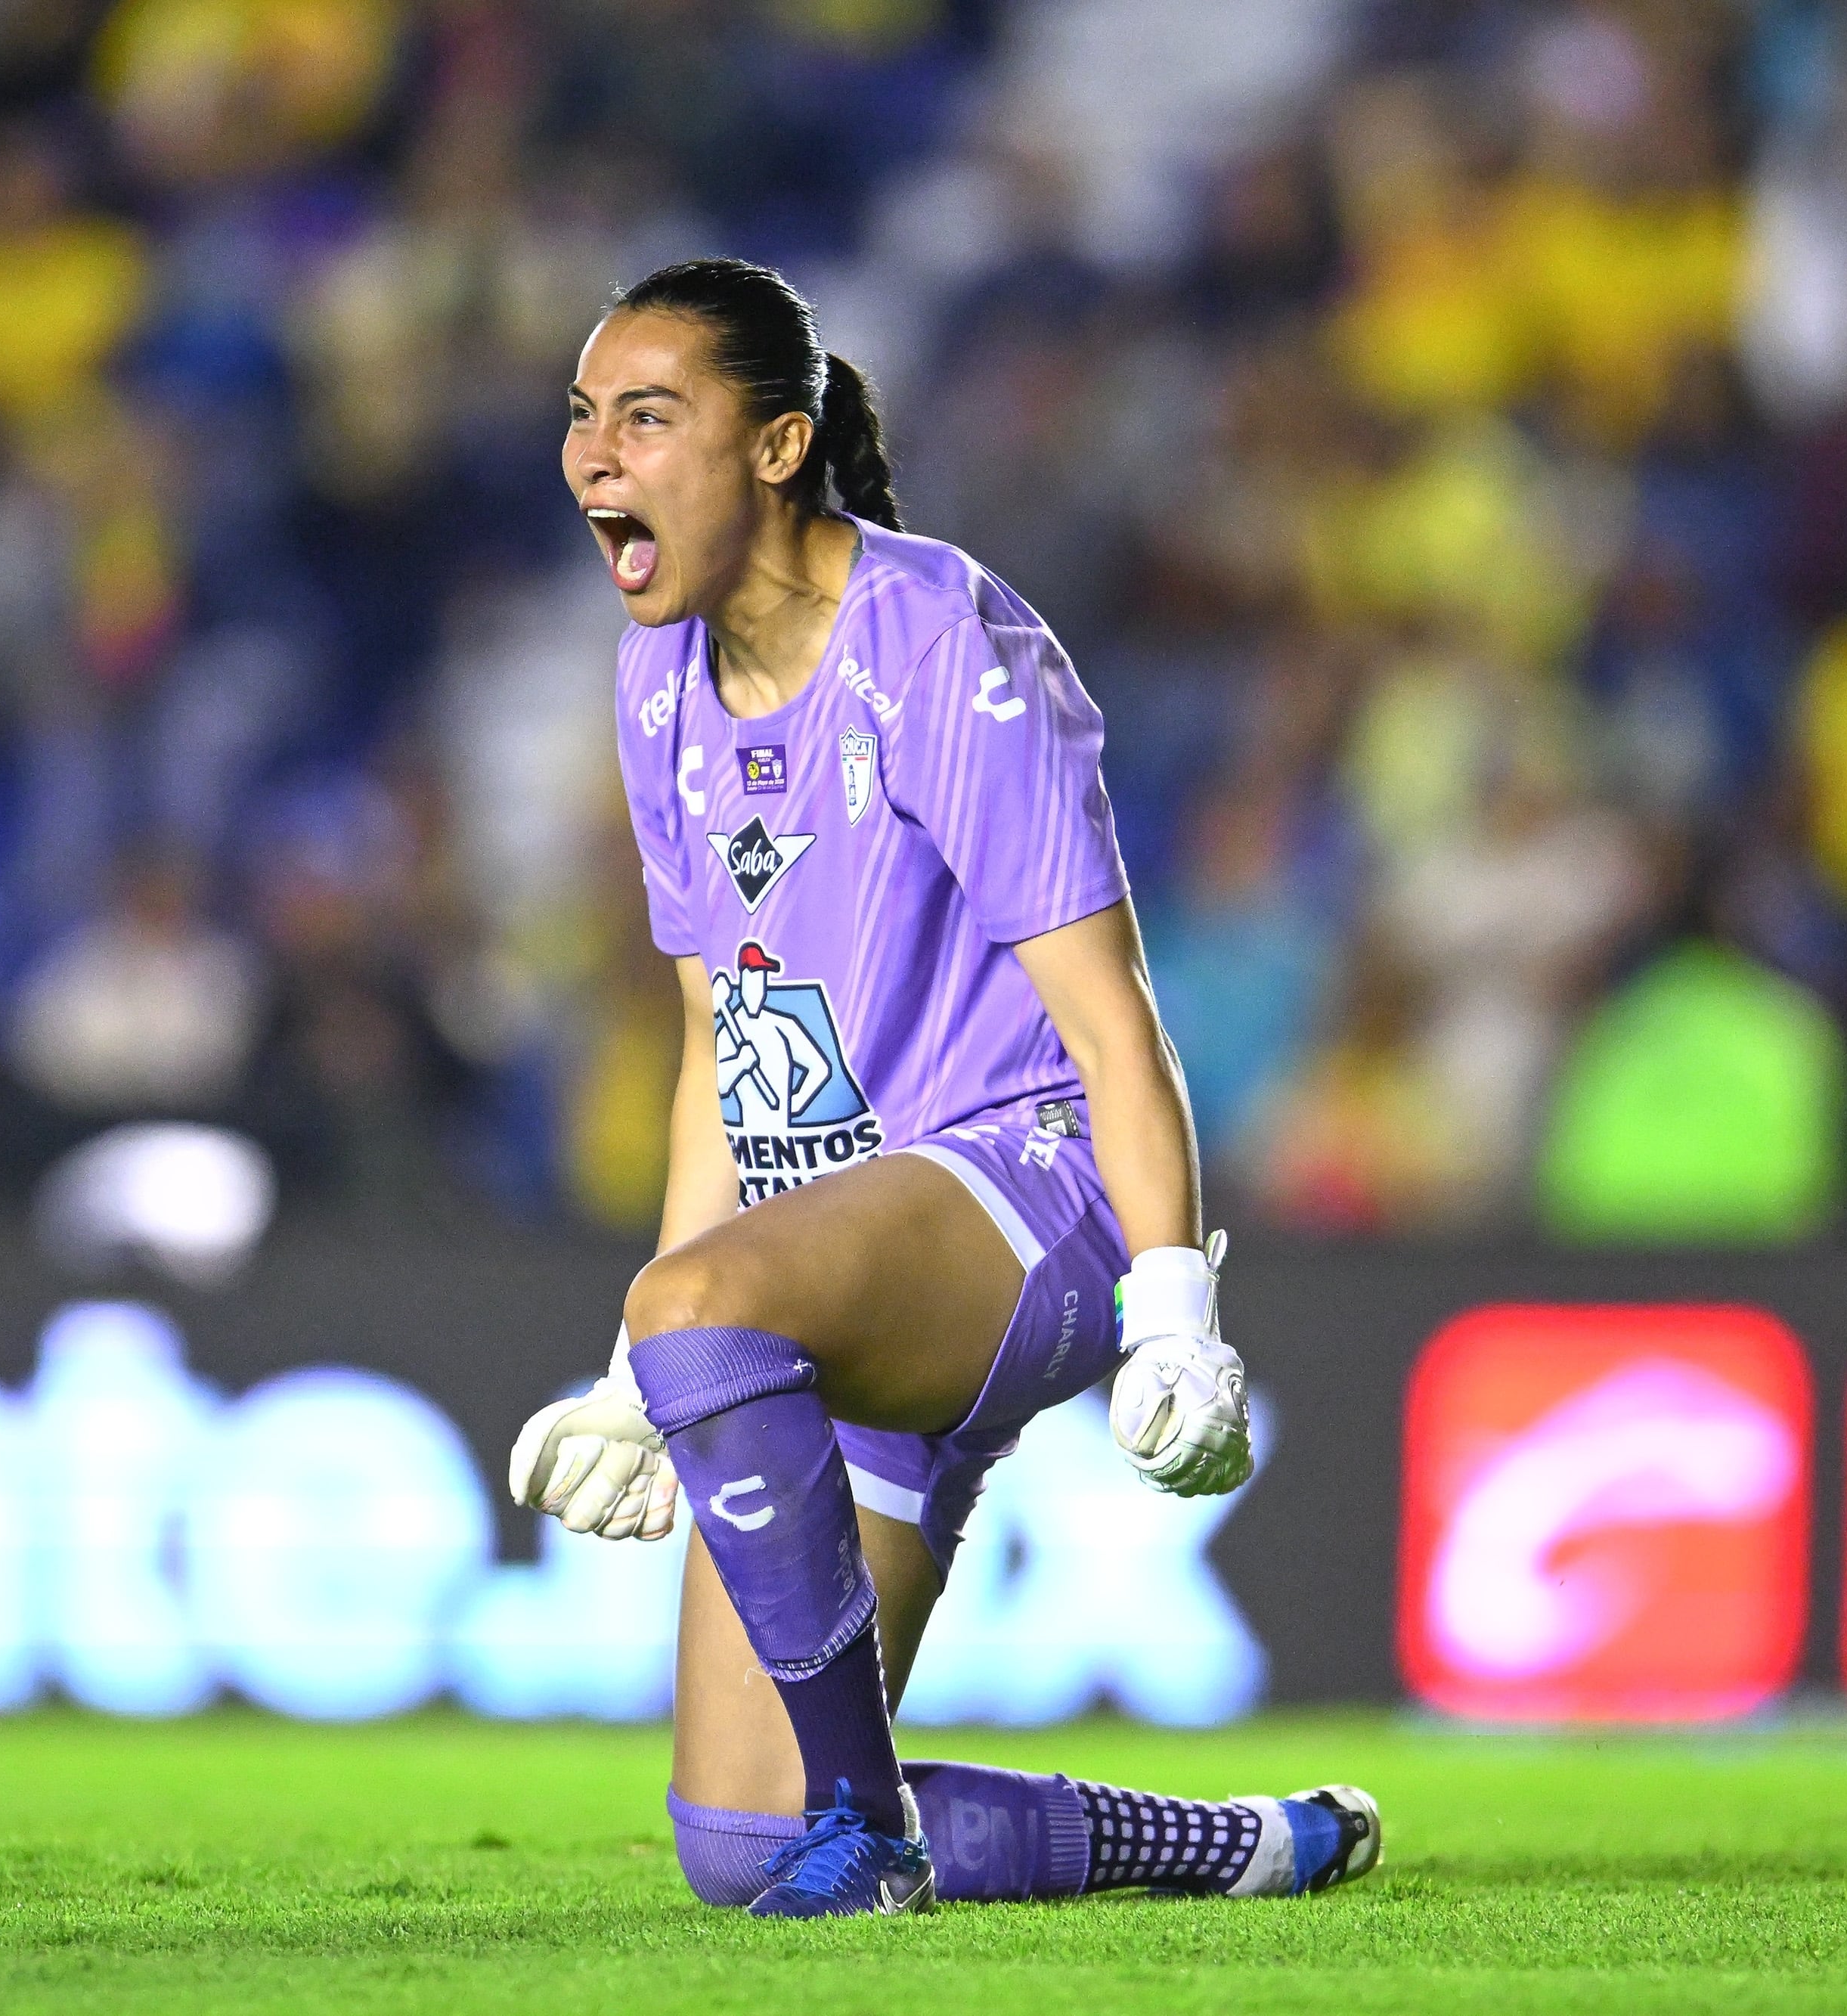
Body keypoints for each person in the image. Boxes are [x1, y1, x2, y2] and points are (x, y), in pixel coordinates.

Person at [507, 259, 1381, 1919]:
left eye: (643, 415)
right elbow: (717, 1042)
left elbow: (1114, 1018)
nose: (592, 458)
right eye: (578, 418)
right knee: (738, 1849)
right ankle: (1258, 1845)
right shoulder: (652, 677)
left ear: (774, 447)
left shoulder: (934, 639)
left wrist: (1174, 1311)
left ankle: (873, 1831)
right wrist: (646, 1366)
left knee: (705, 1322)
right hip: (838, 1256)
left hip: (1029, 1191)